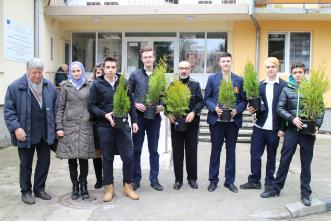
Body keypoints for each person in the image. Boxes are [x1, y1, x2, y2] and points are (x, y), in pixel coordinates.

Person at [260, 63, 324, 207]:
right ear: (292, 74)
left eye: (300, 72)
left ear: (304, 73)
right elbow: (280, 108)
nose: (297, 75)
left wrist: (318, 126)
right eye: (295, 72)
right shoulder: (287, 89)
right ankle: (276, 189)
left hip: (307, 133)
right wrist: (292, 118)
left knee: (306, 162)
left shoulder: (312, 89)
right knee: (284, 160)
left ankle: (306, 193)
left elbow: (320, 108)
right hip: (291, 131)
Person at [4, 58, 57, 205]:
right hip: (25, 133)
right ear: (28, 71)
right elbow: (8, 111)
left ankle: (39, 189)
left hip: (45, 132)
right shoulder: (15, 87)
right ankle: (26, 191)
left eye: (40, 72)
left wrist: (56, 128)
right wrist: (16, 128)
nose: (38, 76)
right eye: (35, 73)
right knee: (26, 164)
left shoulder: (49, 86)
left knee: (44, 162)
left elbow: (56, 108)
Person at [88, 56, 139, 202]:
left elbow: (131, 103)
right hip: (104, 126)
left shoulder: (123, 82)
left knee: (128, 156)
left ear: (116, 68)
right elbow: (91, 105)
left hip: (123, 125)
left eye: (113, 67)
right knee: (107, 158)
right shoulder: (97, 85)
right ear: (103, 68)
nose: (110, 70)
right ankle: (109, 188)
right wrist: (105, 115)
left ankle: (127, 186)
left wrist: (134, 121)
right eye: (108, 67)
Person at [240, 57, 287, 194]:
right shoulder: (260, 86)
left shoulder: (284, 86)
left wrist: (283, 128)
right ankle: (254, 180)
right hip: (260, 126)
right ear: (265, 69)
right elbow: (254, 105)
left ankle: (269, 182)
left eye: (273, 67)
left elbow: (287, 108)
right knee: (255, 154)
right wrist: (251, 109)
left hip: (275, 128)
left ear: (277, 68)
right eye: (268, 67)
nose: (270, 69)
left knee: (271, 156)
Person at [204, 52, 247, 193]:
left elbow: (243, 100)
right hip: (217, 122)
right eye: (223, 61)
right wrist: (214, 108)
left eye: (228, 61)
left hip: (232, 122)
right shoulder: (212, 79)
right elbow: (207, 98)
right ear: (219, 63)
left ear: (231, 62)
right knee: (215, 151)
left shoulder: (239, 80)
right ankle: (213, 180)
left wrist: (238, 110)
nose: (226, 63)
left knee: (231, 152)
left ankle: (229, 181)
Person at [55, 61, 95, 200]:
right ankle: (75, 186)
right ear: (70, 73)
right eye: (74, 71)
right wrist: (59, 127)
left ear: (83, 71)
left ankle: (84, 185)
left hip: (85, 125)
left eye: (78, 71)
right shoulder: (65, 87)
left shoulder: (89, 85)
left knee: (83, 158)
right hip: (69, 127)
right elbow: (59, 108)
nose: (76, 73)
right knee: (71, 159)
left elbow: (93, 105)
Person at [128, 46, 164, 191]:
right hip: (139, 118)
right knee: (136, 149)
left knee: (153, 150)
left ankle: (154, 179)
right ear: (142, 59)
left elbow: (164, 94)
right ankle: (136, 179)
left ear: (154, 58)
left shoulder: (160, 75)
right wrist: (135, 104)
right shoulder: (135, 75)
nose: (148, 59)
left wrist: (162, 105)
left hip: (154, 117)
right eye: (145, 57)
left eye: (150, 56)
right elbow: (127, 93)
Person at [168, 61, 204, 190]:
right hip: (176, 123)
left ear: (190, 70)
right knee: (177, 151)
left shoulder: (195, 85)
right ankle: (178, 179)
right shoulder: (172, 85)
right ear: (178, 70)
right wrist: (168, 114)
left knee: (191, 151)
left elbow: (201, 102)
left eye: (186, 68)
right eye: (181, 68)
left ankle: (192, 178)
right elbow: (166, 103)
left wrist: (194, 112)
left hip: (192, 124)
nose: (183, 71)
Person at [91, 62, 104, 189]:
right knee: (97, 153)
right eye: (97, 73)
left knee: (107, 153)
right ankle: (99, 179)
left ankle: (106, 178)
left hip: (106, 123)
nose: (99, 75)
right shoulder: (91, 87)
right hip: (94, 124)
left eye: (101, 72)